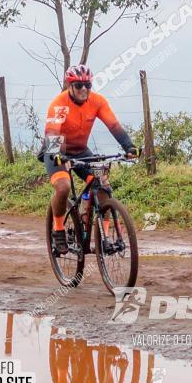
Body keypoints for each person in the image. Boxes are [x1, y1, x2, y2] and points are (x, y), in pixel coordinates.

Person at [42, 64, 137, 254]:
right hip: (57, 151)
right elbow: (52, 133)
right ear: (70, 85)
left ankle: (104, 238)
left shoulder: (97, 102)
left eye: (88, 85)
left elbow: (113, 125)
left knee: (103, 187)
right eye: (78, 85)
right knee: (64, 187)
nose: (84, 89)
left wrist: (129, 146)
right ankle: (59, 230)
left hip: (81, 150)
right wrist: (57, 155)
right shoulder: (59, 105)